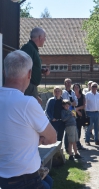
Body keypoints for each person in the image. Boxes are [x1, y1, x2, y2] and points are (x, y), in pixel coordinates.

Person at [0, 50, 57, 189]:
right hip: (25, 181)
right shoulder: (28, 103)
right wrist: (36, 140)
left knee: (48, 181)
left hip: (4, 178)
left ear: (4, 71)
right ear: (30, 74)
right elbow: (52, 138)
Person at [21, 27, 50, 105]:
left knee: (37, 105)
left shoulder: (32, 49)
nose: (45, 40)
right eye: (44, 37)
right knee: (33, 108)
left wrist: (41, 70)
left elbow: (30, 66)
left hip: (31, 86)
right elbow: (22, 66)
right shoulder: (28, 48)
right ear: (40, 37)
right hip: (28, 86)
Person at [62, 78, 78, 152]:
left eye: (69, 83)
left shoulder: (73, 92)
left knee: (74, 128)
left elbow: (76, 102)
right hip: (67, 112)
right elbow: (65, 103)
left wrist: (72, 103)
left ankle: (74, 147)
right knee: (68, 130)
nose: (68, 84)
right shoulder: (63, 92)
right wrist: (71, 103)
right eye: (67, 83)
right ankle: (67, 147)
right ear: (65, 84)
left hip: (73, 111)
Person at [73, 83, 86, 150]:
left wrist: (77, 109)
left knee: (79, 129)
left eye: (77, 87)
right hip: (73, 114)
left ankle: (78, 143)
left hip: (81, 115)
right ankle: (75, 144)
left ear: (79, 88)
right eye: (75, 87)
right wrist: (77, 110)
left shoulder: (82, 96)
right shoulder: (72, 96)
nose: (76, 89)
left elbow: (84, 106)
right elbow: (71, 106)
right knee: (74, 130)